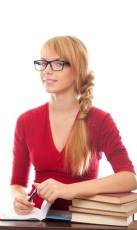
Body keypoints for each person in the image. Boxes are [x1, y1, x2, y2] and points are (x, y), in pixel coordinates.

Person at [10, 35, 137, 215]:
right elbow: (17, 182)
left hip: (83, 220)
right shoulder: (26, 121)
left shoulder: (99, 120)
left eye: (57, 64)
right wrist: (18, 197)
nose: (46, 70)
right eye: (44, 63)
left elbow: (129, 178)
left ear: (77, 70)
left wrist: (68, 190)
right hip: (37, 220)